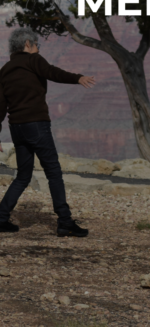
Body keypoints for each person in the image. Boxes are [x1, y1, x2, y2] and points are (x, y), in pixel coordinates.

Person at [0, 28, 96, 237]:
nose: (38, 48)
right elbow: (53, 72)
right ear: (27, 44)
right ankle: (65, 222)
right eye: (37, 45)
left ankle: (1, 218)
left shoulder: (5, 69)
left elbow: (0, 106)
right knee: (53, 172)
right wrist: (77, 78)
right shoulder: (33, 60)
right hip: (36, 125)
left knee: (23, 176)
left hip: (16, 128)